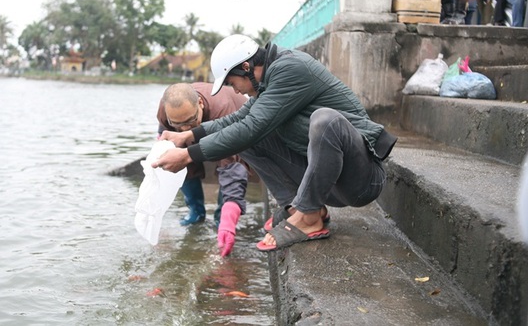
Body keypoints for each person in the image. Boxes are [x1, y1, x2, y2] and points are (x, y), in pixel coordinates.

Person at [152, 35, 397, 252]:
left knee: (326, 120)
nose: (235, 91)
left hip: (362, 181)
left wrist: (188, 156)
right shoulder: (267, 81)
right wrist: (190, 136)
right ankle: (297, 207)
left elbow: (250, 127)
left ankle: (309, 216)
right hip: (329, 181)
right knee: (246, 139)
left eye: (232, 82)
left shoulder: (290, 68)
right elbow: (240, 119)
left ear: (246, 67)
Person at [156, 82, 249, 257]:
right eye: (177, 124)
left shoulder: (222, 108)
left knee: (229, 169)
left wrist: (229, 221)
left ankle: (221, 217)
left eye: (190, 121)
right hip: (201, 128)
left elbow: (231, 167)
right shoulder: (165, 108)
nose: (184, 129)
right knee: (176, 159)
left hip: (235, 128)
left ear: (200, 103)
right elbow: (166, 139)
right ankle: (196, 212)